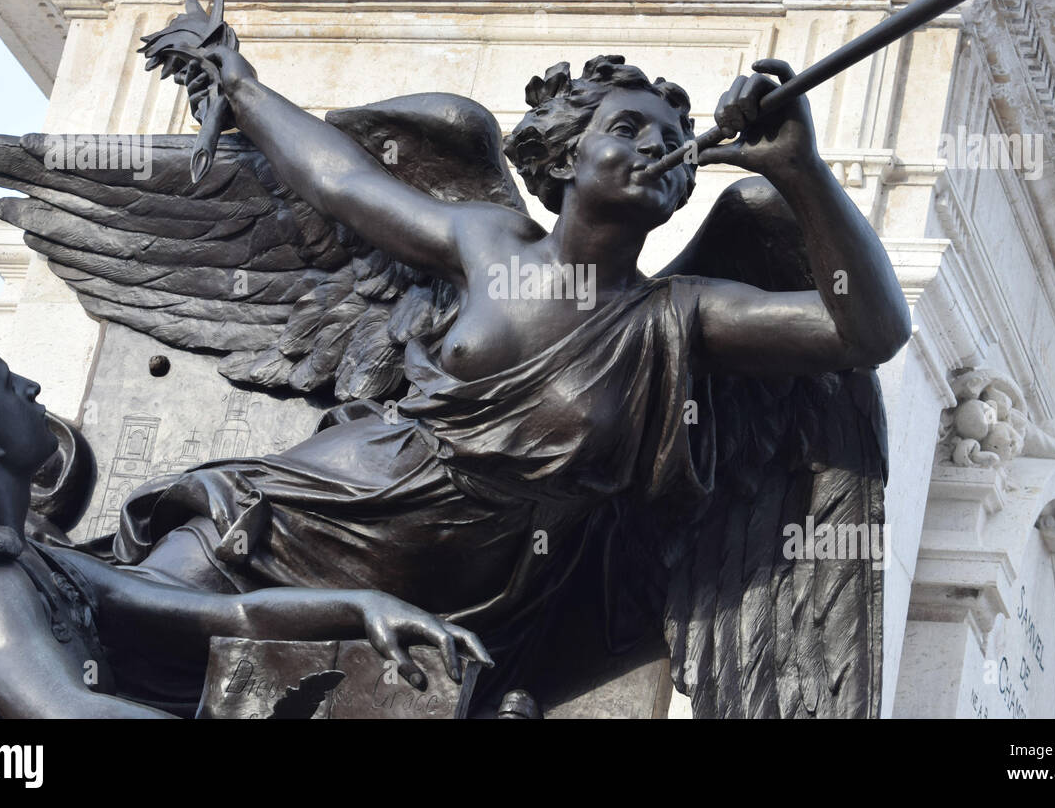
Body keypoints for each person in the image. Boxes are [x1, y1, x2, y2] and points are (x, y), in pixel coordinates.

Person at [100, 49, 911, 700]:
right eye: (627, 128)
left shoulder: (688, 316)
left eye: (670, 140)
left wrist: (802, 173)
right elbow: (340, 183)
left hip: (469, 595)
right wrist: (239, 83)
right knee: (109, 635)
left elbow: (867, 331)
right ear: (565, 155)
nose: (656, 147)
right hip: (303, 509)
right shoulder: (491, 244)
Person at [0, 311, 491, 718]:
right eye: (5, 382)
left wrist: (361, 605)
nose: (31, 386)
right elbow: (67, 711)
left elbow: (230, 613)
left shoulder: (36, 562)